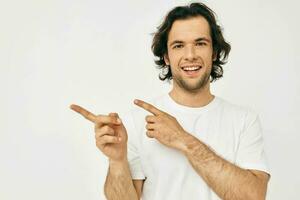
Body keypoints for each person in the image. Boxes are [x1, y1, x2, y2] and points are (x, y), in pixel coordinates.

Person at [70, 2, 270, 200]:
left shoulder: (244, 120)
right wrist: (117, 160)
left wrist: (182, 139)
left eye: (200, 43)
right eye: (179, 46)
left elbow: (253, 197)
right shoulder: (137, 121)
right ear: (166, 56)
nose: (190, 55)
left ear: (214, 52)